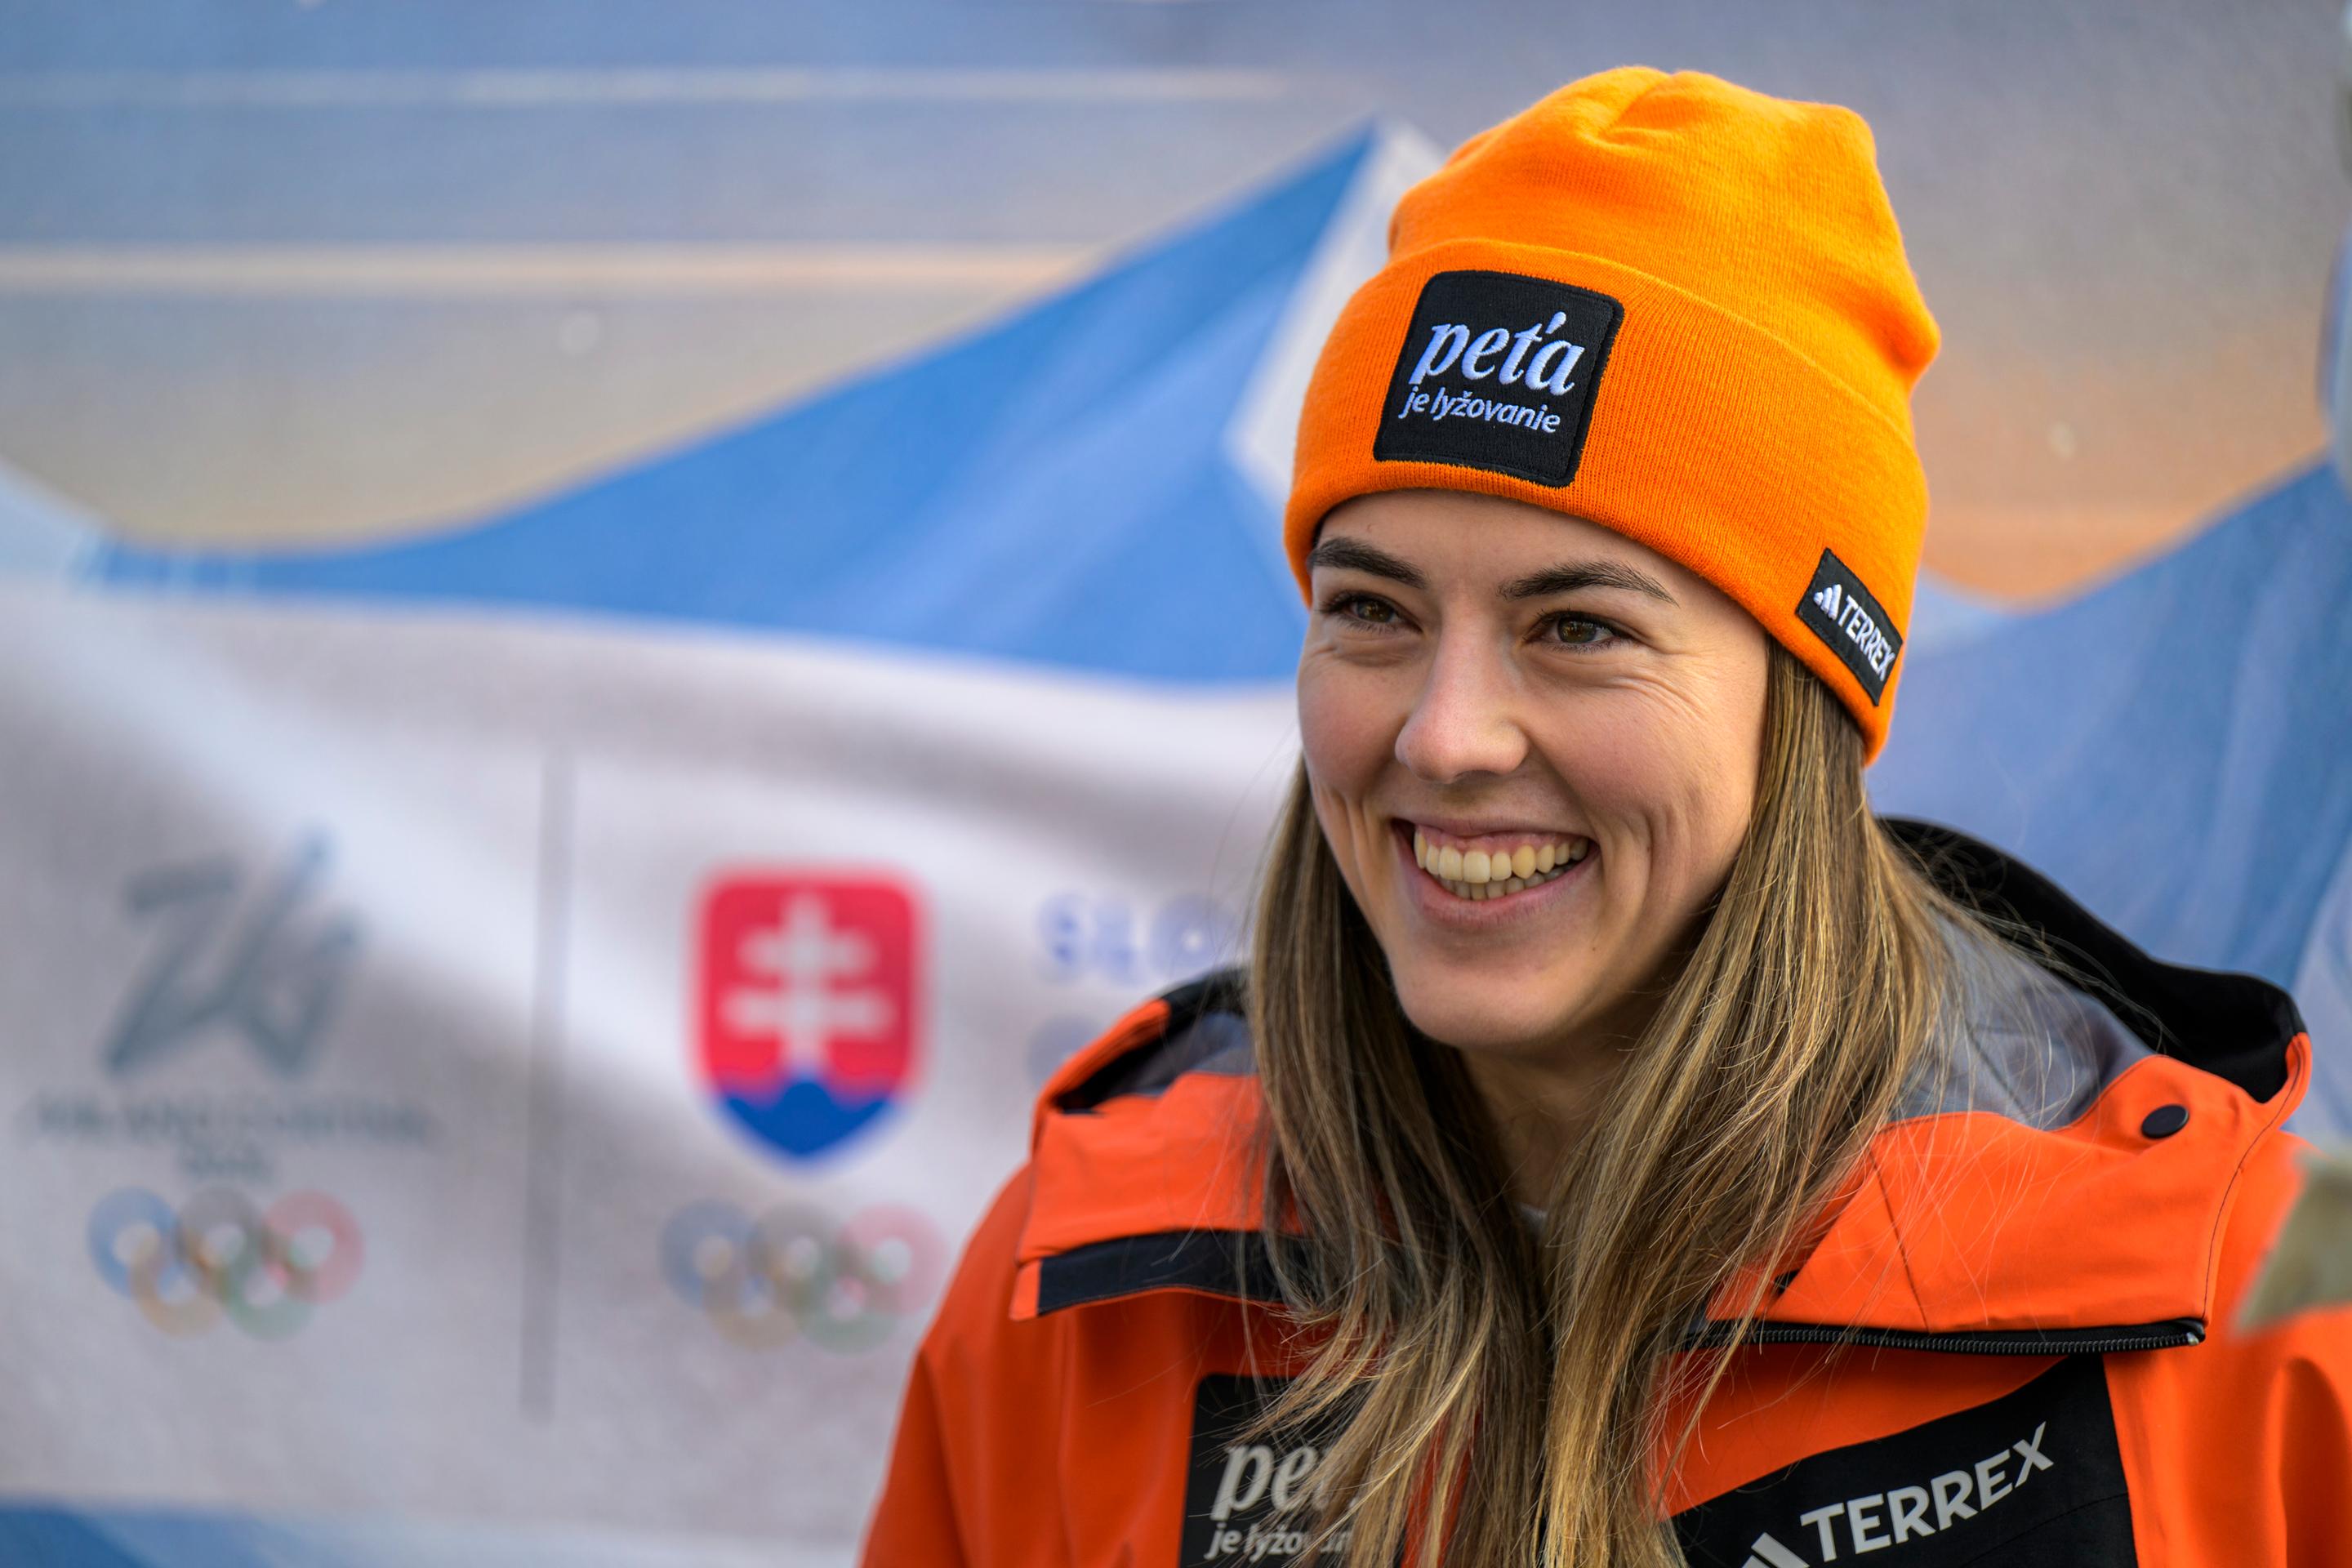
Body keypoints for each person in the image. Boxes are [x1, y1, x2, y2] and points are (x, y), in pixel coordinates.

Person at [858, 67, 2352, 1567]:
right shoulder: (1092, 1294)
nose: (1445, 736)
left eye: (1578, 627)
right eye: (1372, 611)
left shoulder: (2235, 1321)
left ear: (1806, 699)